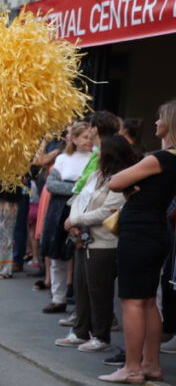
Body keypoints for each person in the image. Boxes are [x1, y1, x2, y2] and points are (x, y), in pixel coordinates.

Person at [100, 100, 176, 383]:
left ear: (170, 123)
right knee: (148, 302)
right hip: (157, 230)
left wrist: (134, 189)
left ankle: (131, 367)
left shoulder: (159, 158)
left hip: (138, 232)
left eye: (159, 118)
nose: (155, 123)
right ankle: (151, 364)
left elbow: (114, 182)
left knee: (132, 300)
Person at [55, 135, 133, 351]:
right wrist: (74, 223)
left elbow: (108, 210)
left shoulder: (120, 178)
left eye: (101, 149)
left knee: (99, 291)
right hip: (83, 238)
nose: (96, 153)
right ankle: (80, 332)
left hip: (104, 244)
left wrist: (76, 220)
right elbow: (79, 198)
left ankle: (101, 336)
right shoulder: (96, 175)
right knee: (81, 288)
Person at [41, 122, 93, 314]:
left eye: (90, 137)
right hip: (59, 209)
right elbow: (51, 184)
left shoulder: (94, 159)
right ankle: (58, 297)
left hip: (82, 209)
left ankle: (80, 302)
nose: (89, 140)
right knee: (57, 253)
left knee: (79, 254)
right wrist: (76, 188)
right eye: (85, 137)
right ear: (75, 139)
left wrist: (77, 189)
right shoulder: (63, 158)